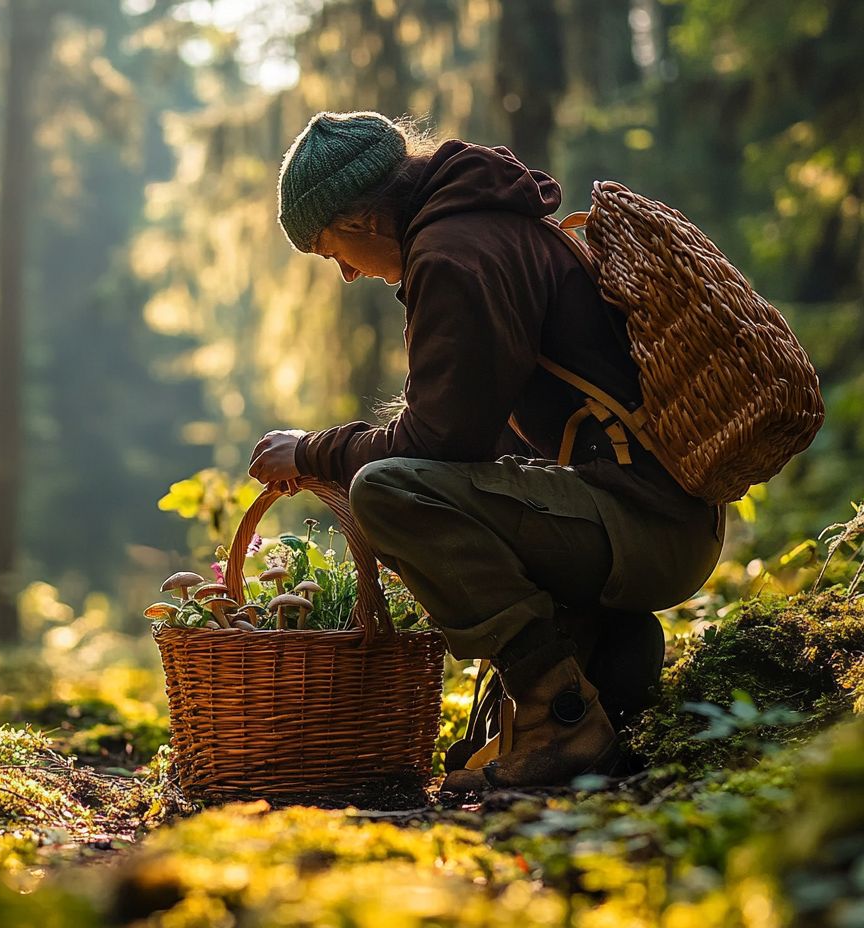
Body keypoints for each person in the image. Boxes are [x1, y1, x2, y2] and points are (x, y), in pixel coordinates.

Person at [248, 110, 724, 793]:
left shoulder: (453, 253)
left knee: (387, 491)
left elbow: (438, 446)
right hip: (656, 519)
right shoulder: (483, 226)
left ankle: (561, 719)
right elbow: (478, 450)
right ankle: (606, 665)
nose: (349, 275)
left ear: (362, 222)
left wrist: (314, 452)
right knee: (419, 483)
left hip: (642, 524)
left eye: (333, 253)